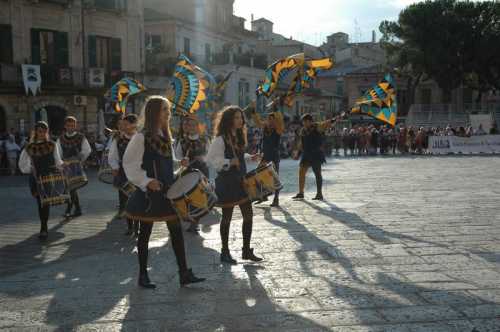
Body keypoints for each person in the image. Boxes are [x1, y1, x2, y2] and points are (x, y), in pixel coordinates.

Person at [123, 96, 205, 289]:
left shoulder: (166, 137)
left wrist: (179, 164)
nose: (169, 114)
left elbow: (167, 164)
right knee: (144, 234)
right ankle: (143, 275)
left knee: (176, 231)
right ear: (154, 113)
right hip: (149, 195)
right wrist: (146, 181)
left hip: (168, 192)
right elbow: (129, 164)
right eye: (165, 110)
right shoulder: (141, 137)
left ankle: (184, 273)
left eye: (168, 110)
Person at [206, 106, 263, 265]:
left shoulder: (237, 136)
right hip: (227, 182)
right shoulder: (219, 139)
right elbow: (211, 160)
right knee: (227, 217)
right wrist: (228, 162)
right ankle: (225, 252)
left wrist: (250, 157)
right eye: (237, 117)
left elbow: (237, 155)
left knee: (248, 216)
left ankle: (246, 250)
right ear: (229, 119)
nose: (241, 120)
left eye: (241, 118)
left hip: (240, 181)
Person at [18, 122, 64, 240]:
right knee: (40, 202)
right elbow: (22, 163)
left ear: (46, 132)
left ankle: (44, 227)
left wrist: (63, 168)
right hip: (36, 178)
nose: (42, 133)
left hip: (48, 177)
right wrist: (30, 168)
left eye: (44, 131)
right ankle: (43, 226)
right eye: (39, 131)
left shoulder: (52, 145)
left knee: (45, 202)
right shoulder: (30, 146)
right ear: (35, 132)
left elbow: (58, 160)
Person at [174, 113, 211, 233]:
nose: (191, 128)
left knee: (199, 196)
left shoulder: (205, 139)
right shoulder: (182, 141)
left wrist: (203, 158)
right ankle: (190, 219)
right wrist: (182, 161)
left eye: (193, 125)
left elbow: (210, 155)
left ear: (198, 126)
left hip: (202, 172)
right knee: (188, 197)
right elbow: (177, 157)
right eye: (189, 125)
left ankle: (195, 222)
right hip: (187, 172)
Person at [292, 113, 336, 201]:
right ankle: (301, 193)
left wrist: (333, 120)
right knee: (301, 172)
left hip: (316, 153)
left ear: (309, 121)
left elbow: (325, 123)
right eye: (303, 122)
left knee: (317, 173)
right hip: (306, 154)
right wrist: (298, 152)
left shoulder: (317, 126)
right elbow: (301, 142)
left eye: (305, 121)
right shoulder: (303, 130)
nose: (303, 123)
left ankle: (319, 193)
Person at [108, 114, 139, 236]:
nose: (124, 126)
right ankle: (130, 226)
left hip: (138, 174)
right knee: (126, 201)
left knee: (138, 200)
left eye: (126, 124)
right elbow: (113, 155)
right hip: (124, 173)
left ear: (134, 125)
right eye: (123, 124)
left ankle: (137, 226)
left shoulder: (141, 139)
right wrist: (115, 167)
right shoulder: (119, 139)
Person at [56, 116, 91, 218]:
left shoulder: (81, 137)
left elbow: (87, 150)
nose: (71, 127)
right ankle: (77, 208)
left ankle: (70, 209)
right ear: (65, 126)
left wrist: (80, 159)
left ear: (76, 126)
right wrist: (61, 163)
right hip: (66, 166)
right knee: (71, 188)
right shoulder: (61, 138)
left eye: (73, 125)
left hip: (76, 166)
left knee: (71, 187)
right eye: (68, 125)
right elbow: (58, 152)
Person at [250, 104, 284, 207]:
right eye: (269, 119)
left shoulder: (278, 129)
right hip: (265, 155)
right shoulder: (265, 127)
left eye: (272, 119)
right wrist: (253, 112)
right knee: (258, 174)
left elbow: (280, 121)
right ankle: (262, 195)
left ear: (275, 120)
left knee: (275, 178)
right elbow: (258, 122)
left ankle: (276, 199)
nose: (270, 121)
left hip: (274, 155)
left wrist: (276, 110)